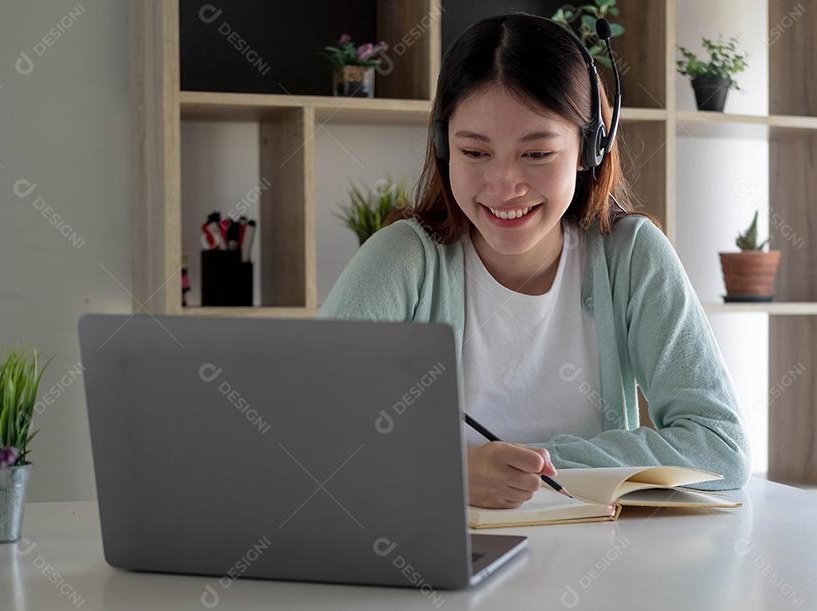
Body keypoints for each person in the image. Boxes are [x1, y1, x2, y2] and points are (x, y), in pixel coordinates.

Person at [319, 13, 750, 509]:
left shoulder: (632, 256)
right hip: (443, 552)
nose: (504, 186)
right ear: (443, 147)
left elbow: (719, 447)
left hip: (600, 547)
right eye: (474, 152)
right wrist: (446, 471)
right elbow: (308, 436)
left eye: (537, 154)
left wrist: (532, 467)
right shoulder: (401, 259)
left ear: (590, 148)